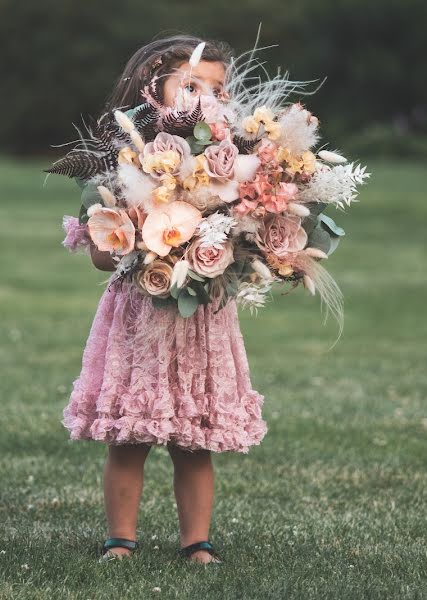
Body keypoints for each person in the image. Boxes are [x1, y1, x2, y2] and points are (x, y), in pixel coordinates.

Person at [60, 34, 268, 565]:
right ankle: (119, 542)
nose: (208, 97)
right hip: (139, 312)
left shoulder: (232, 160)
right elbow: (102, 258)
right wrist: (133, 237)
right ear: (154, 85)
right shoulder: (125, 159)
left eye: (218, 88)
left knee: (194, 442)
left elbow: (243, 235)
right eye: (193, 84)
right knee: (129, 437)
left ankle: (197, 544)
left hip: (200, 316)